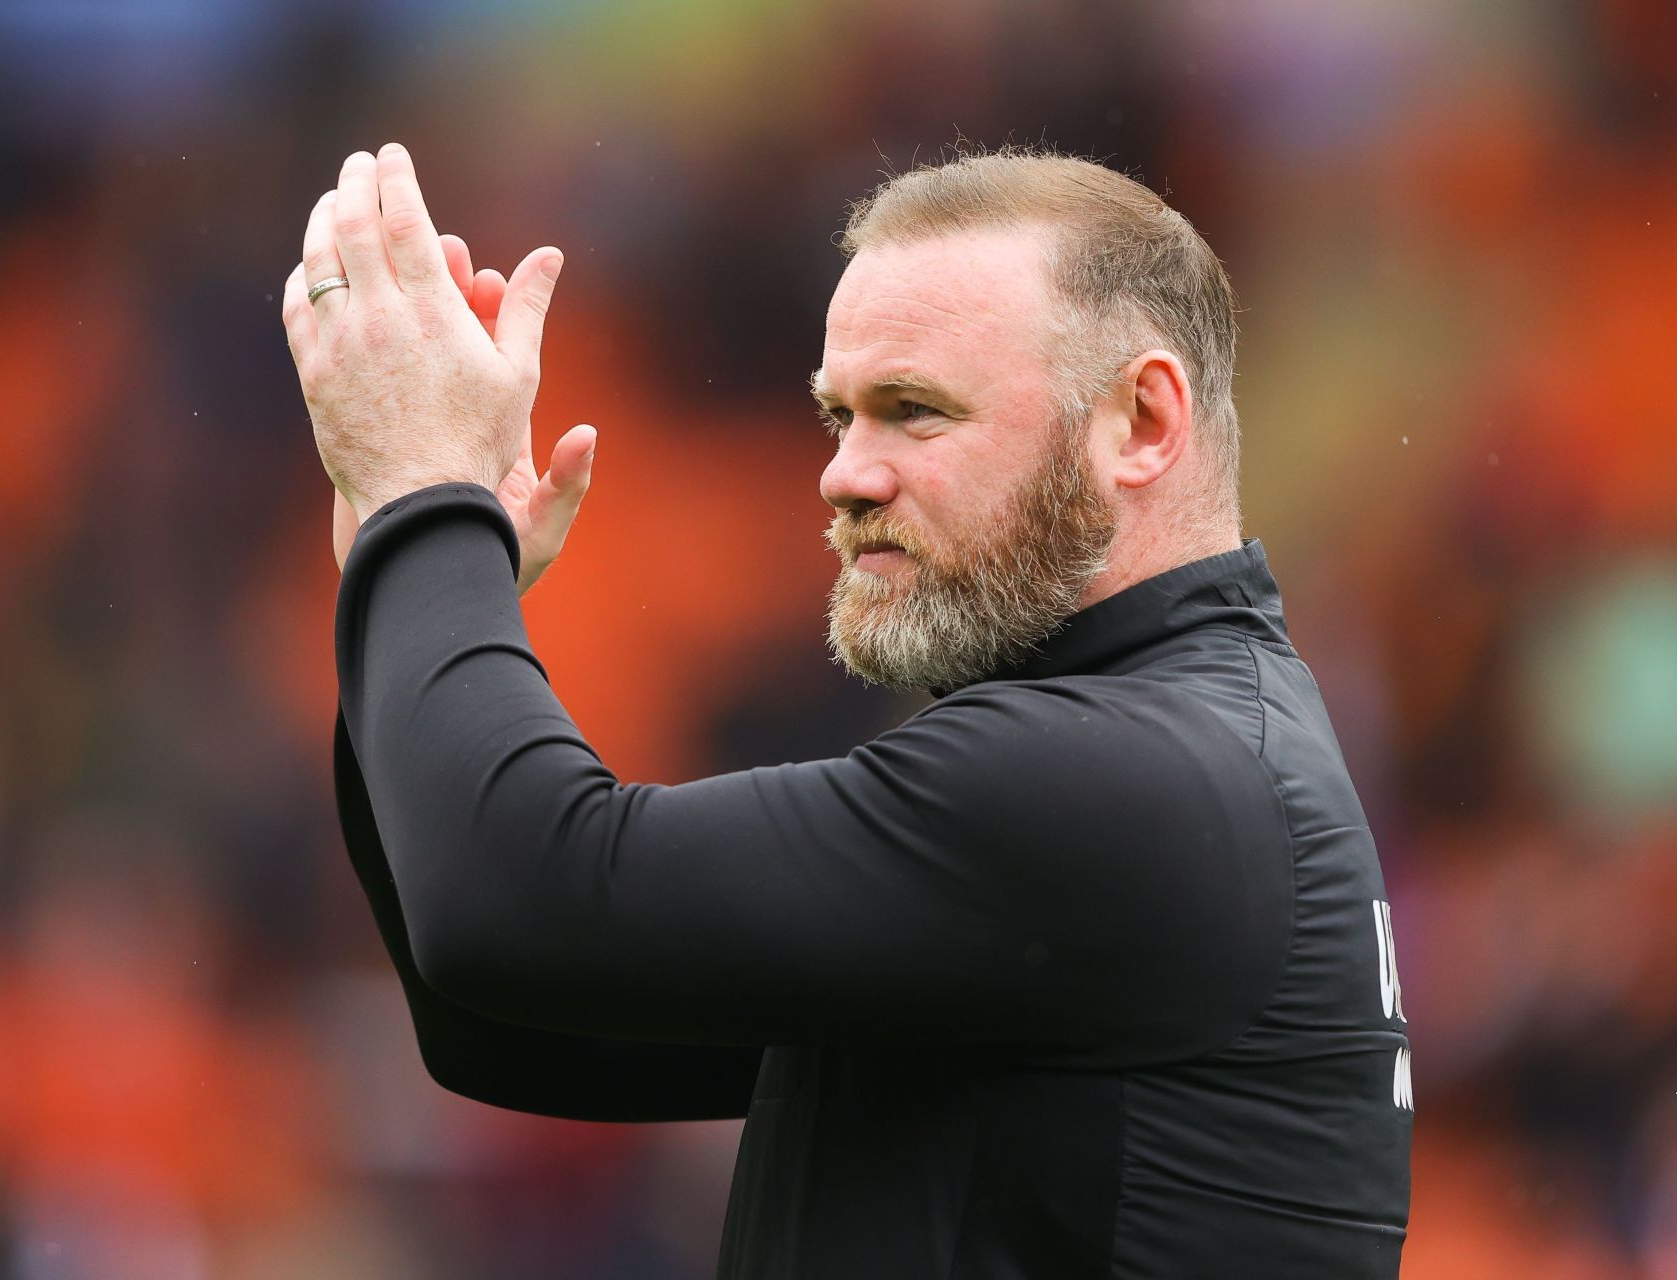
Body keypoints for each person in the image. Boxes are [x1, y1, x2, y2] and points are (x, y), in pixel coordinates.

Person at [283, 143, 1413, 1278]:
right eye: (841, 416)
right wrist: (412, 566)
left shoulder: (1132, 772)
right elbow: (523, 1024)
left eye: (914, 411)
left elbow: (526, 899)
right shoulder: (1167, 755)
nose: (844, 475)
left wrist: (423, 509)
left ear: (1142, 421)